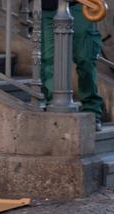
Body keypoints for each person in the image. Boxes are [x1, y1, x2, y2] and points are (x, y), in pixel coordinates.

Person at [41, 0, 105, 131]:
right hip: (47, 9)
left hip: (78, 5)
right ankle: (53, 105)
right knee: (49, 60)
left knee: (85, 58)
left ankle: (92, 110)